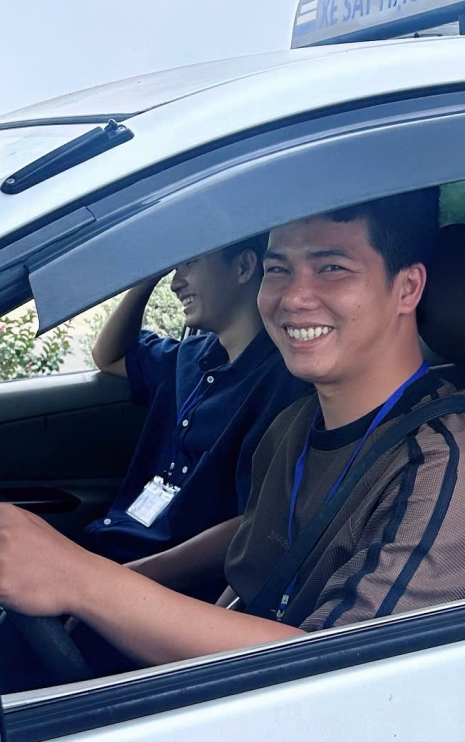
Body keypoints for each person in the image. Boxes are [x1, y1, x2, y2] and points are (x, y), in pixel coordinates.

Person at [0, 191, 465, 668]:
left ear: (408, 287)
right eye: (278, 269)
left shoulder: (448, 470)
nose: (294, 297)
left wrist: (83, 581)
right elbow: (246, 592)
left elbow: (336, 677)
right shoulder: (297, 427)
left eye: (332, 268)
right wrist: (108, 585)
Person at [84, 241, 305, 564]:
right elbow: (108, 356)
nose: (175, 283)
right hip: (111, 548)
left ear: (243, 267)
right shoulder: (186, 357)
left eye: (189, 262)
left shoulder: (285, 383)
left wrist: (118, 579)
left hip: (157, 580)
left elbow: (255, 524)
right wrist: (146, 278)